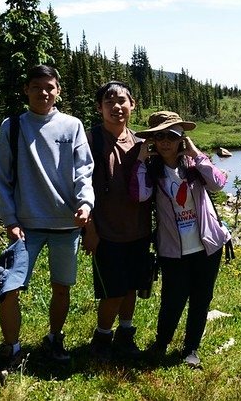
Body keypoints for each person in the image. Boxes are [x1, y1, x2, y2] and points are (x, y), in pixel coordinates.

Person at [0, 64, 93, 376]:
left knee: (61, 288)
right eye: (37, 87)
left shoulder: (72, 126)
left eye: (49, 87)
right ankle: (12, 348)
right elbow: (2, 177)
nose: (43, 93)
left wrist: (85, 204)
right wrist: (9, 219)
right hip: (25, 225)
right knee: (9, 287)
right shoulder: (13, 126)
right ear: (26, 90)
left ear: (58, 90)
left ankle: (54, 338)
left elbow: (83, 170)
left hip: (66, 223)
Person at [130, 111, 231, 368]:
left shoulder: (194, 166)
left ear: (181, 139)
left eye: (172, 136)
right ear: (152, 140)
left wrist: (195, 153)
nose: (165, 142)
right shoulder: (152, 171)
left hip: (208, 246)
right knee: (172, 299)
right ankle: (161, 344)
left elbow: (218, 183)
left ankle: (191, 349)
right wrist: (141, 159)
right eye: (159, 137)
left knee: (201, 299)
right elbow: (139, 195)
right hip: (173, 250)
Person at [82, 81, 152, 360]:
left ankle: (125, 334)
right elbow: (79, 187)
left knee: (132, 286)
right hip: (106, 232)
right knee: (113, 291)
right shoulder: (89, 141)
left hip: (139, 230)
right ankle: (101, 338)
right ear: (100, 108)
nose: (116, 107)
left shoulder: (141, 144)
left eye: (122, 100)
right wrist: (89, 230)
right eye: (109, 101)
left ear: (132, 105)